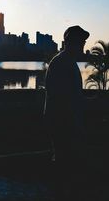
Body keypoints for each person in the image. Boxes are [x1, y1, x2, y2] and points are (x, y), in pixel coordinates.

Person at [43, 25, 90, 200]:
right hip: (62, 121)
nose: (82, 45)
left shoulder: (67, 62)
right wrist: (75, 123)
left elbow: (70, 95)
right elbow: (62, 98)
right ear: (69, 43)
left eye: (83, 42)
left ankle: (61, 191)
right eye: (80, 42)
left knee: (65, 159)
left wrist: (85, 102)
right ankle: (59, 193)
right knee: (64, 159)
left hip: (65, 120)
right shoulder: (62, 63)